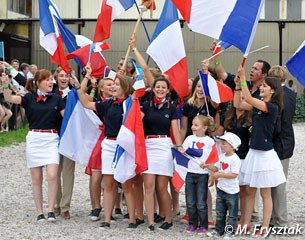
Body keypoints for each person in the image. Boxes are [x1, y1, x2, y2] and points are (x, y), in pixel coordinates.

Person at [77, 63, 137, 229]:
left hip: (125, 146)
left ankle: (132, 219)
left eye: (117, 85)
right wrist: (84, 82)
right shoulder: (109, 104)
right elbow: (86, 103)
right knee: (109, 183)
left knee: (126, 185)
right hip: (109, 145)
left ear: (124, 88)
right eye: (113, 85)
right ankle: (107, 219)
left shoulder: (131, 105)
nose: (113, 87)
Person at [2, 69, 65, 222]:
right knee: (36, 178)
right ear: (38, 83)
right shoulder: (29, 98)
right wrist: (5, 85)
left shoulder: (57, 98)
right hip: (35, 139)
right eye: (47, 80)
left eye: (51, 79)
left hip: (51, 138)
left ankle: (51, 210)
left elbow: (67, 117)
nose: (51, 82)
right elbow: (9, 98)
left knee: (52, 175)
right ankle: (40, 212)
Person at [234, 65, 286, 236]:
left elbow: (247, 97)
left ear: (273, 91)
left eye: (264, 86)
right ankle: (245, 223)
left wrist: (242, 78)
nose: (262, 88)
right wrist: (237, 86)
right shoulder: (260, 106)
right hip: (254, 152)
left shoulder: (270, 107)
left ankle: (264, 227)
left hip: (264, 154)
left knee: (265, 192)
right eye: (262, 85)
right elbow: (238, 103)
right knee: (250, 190)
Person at [268, 66, 296, 228]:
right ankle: (275, 218)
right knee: (276, 183)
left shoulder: (277, 97)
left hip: (278, 142)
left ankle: (281, 220)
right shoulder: (291, 94)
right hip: (287, 141)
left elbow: (277, 122)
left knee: (278, 184)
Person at [86, 77, 114, 222]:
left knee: (112, 176)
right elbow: (84, 102)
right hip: (97, 139)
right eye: (108, 84)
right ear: (101, 88)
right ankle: (96, 206)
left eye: (113, 84)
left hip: (112, 138)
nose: (111, 86)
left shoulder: (117, 101)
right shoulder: (98, 103)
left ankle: (113, 207)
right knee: (96, 176)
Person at [204, 132, 241, 238]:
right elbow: (216, 168)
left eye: (225, 144)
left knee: (232, 215)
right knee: (220, 213)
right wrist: (207, 166)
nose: (222, 145)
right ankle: (218, 230)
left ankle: (230, 232)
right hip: (221, 189)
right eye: (222, 143)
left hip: (232, 192)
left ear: (232, 146)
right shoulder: (221, 157)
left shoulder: (235, 159)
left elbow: (234, 174)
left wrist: (220, 175)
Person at [182, 115, 215, 235]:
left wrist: (211, 173)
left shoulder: (210, 141)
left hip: (202, 174)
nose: (192, 127)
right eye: (192, 124)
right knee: (190, 201)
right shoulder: (189, 139)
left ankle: (203, 224)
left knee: (201, 202)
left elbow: (213, 159)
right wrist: (182, 151)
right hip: (190, 173)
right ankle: (192, 223)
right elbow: (184, 153)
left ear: (205, 127)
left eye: (196, 125)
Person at [220, 104, 252, 226]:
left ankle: (244, 220)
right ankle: (233, 218)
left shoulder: (250, 118)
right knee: (232, 189)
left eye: (244, 99)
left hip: (244, 156)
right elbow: (219, 132)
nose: (240, 101)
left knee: (245, 190)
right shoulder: (229, 117)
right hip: (231, 157)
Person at [52, 67, 75, 220]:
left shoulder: (74, 94)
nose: (64, 78)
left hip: (70, 137)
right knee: (54, 173)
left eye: (66, 75)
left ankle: (65, 206)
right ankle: (56, 204)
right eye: (61, 75)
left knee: (67, 173)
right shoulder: (50, 92)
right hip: (53, 138)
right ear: (56, 77)